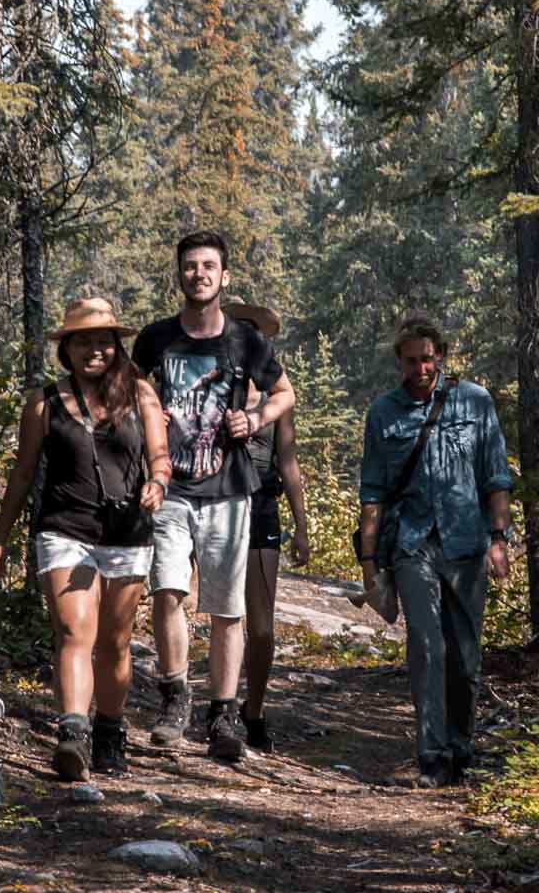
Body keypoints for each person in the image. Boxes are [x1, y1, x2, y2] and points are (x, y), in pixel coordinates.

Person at [0, 297, 171, 781]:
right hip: (64, 529)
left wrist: (157, 483)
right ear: (65, 349)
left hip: (127, 533)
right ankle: (72, 733)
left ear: (116, 347)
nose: (94, 350)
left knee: (115, 642)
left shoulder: (141, 395)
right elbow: (23, 474)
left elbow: (159, 455)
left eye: (103, 342)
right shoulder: (44, 402)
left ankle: (110, 731)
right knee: (74, 631)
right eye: (83, 342)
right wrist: (0, 537)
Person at [132, 232, 296, 762]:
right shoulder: (156, 339)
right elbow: (129, 387)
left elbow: (285, 392)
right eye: (190, 266)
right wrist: (147, 413)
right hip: (170, 486)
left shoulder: (246, 342)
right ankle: (175, 697)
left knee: (227, 608)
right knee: (167, 591)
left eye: (208, 266)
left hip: (228, 489)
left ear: (224, 276)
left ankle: (224, 714)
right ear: (179, 274)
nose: (198, 274)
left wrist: (255, 417)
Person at [356, 313, 512, 788]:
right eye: (411, 361)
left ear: (440, 356)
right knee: (426, 645)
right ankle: (432, 754)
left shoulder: (476, 401)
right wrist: (369, 562)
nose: (420, 369)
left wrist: (500, 539)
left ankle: (461, 746)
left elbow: (495, 474)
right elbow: (372, 492)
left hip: (466, 541)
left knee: (465, 654)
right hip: (411, 543)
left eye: (427, 359)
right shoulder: (384, 412)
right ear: (399, 362)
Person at [225, 301, 311, 753]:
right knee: (224, 616)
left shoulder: (277, 393)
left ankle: (253, 709)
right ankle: (222, 708)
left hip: (262, 507)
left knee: (260, 628)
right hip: (215, 504)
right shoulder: (211, 385)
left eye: (251, 330)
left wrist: (301, 525)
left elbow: (288, 459)